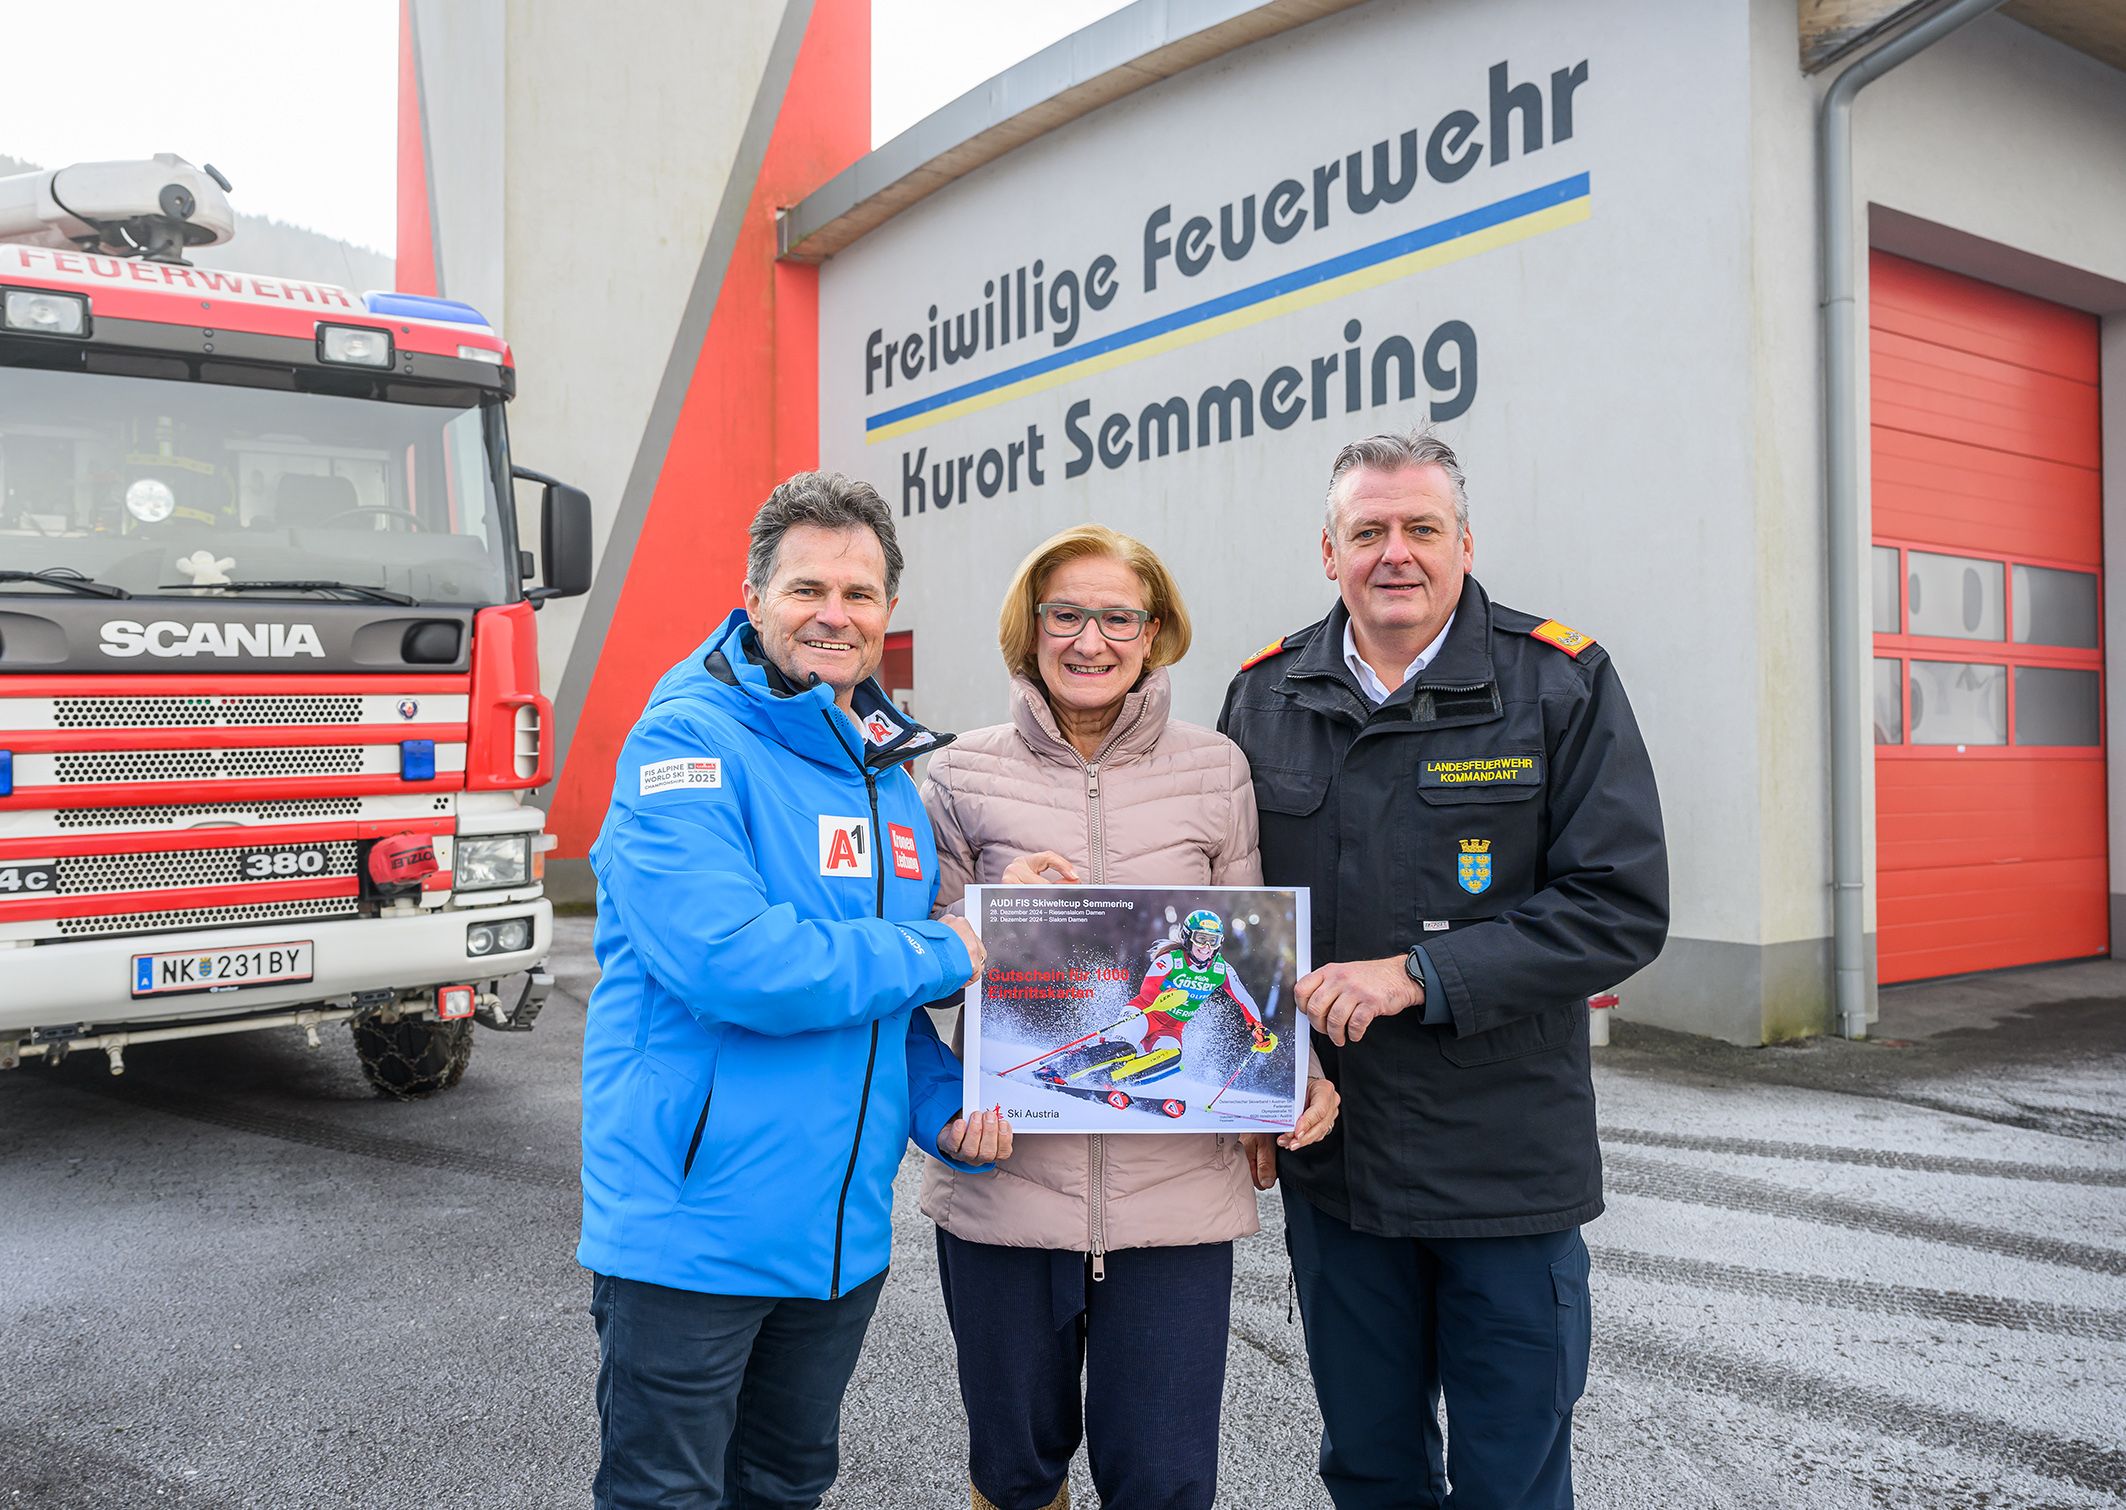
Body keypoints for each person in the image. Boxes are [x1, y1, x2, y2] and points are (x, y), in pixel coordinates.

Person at [1219, 433, 1669, 1510]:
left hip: (1504, 1173)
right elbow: (1233, 922)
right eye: (1366, 530)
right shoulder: (1263, 696)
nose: (1394, 553)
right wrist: (1254, 1079)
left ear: (1463, 543)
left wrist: (1417, 974)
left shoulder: (1558, 683)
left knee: (1509, 1481)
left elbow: (1619, 905)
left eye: (1420, 527)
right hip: (1340, 1170)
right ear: (1326, 552)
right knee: (1369, 1469)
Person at [577, 471, 1010, 1510]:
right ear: (754, 596)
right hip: (692, 1231)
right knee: (665, 1496)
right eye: (807, 589)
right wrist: (952, 946)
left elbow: (882, 1009)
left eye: (859, 595)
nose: (833, 615)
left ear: (887, 613)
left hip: (836, 1238)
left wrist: (948, 1109)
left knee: (783, 1486)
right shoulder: (685, 743)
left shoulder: (885, 774)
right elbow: (734, 963)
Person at [920, 523, 1340, 1510]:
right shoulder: (959, 772)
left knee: (1163, 1479)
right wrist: (983, 912)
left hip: (1173, 1196)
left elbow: (1254, 949)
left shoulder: (1214, 769)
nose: (1089, 639)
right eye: (1065, 614)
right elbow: (922, 964)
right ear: (1031, 629)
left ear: (1153, 634)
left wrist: (1293, 1076)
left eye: (1118, 617)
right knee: (1013, 1475)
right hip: (1003, 1174)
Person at [1127, 908, 1273, 1057]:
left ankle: (1128, 1078)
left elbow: (1244, 999)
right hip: (1144, 1014)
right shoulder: (1171, 959)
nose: (1206, 947)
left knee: (1170, 1057)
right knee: (1122, 1047)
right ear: (1188, 937)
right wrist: (1164, 997)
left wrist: (1257, 1027)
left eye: (1213, 941)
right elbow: (1147, 990)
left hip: (1171, 1028)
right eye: (1201, 939)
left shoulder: (1221, 970)